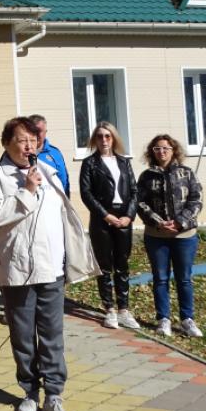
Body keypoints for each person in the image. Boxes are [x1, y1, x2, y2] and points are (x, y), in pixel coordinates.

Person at [0, 117, 100, 411]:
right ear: (6, 143)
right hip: (17, 269)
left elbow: (63, 216)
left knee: (52, 336)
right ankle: (29, 392)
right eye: (22, 140)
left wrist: (67, 256)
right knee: (23, 337)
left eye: (33, 141)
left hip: (50, 267)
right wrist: (26, 191)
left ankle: (54, 396)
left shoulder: (48, 172)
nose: (28, 146)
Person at [136, 134, 204, 339]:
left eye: (165, 148)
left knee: (184, 279)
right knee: (160, 278)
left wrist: (179, 222)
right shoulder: (146, 176)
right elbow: (140, 203)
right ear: (152, 152)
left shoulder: (187, 173)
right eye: (157, 148)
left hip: (184, 236)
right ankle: (163, 319)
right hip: (156, 236)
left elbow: (196, 200)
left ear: (173, 150)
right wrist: (158, 222)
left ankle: (187, 319)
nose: (161, 152)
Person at [78, 122, 140, 330]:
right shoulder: (90, 163)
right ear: (94, 140)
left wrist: (129, 216)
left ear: (114, 138)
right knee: (104, 266)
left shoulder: (124, 162)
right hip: (102, 219)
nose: (104, 140)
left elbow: (134, 191)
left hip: (123, 219)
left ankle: (124, 309)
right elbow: (86, 193)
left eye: (107, 136)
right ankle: (110, 310)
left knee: (122, 265)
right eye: (99, 136)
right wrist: (105, 215)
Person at [29, 114, 70, 196]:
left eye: (39, 131)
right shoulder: (20, 154)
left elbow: (64, 181)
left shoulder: (55, 153)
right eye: (33, 131)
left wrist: (64, 201)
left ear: (45, 132)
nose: (36, 134)